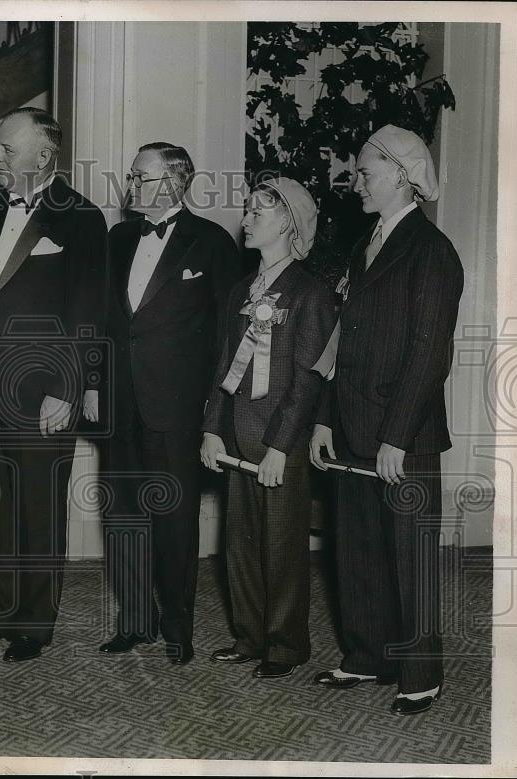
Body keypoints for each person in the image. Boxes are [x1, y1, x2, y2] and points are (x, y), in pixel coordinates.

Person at [309, 125, 463, 715]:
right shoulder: (365, 244)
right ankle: (367, 656)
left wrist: (396, 435)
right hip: (350, 423)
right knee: (358, 549)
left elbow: (429, 354)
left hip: (405, 433)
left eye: (365, 172)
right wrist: (324, 418)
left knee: (410, 555)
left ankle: (420, 672)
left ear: (400, 174)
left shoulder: (432, 251)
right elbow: (340, 344)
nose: (356, 183)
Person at [0, 107, 108, 663]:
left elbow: (89, 311)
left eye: (5, 150)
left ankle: (33, 625)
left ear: (44, 156)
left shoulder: (82, 219)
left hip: (42, 391)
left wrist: (68, 387)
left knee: (38, 507)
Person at [98, 143, 239, 665]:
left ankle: (179, 627)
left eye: (141, 176)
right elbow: (103, 320)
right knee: (123, 517)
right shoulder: (116, 239)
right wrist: (94, 384)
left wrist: (215, 409)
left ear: (175, 184)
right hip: (119, 402)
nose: (130, 185)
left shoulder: (212, 242)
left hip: (178, 408)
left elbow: (229, 332)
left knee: (175, 520)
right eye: (132, 175)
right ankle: (134, 621)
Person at [201, 177, 336, 678]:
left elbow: (308, 381)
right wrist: (212, 429)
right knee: (241, 543)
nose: (247, 218)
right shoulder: (241, 290)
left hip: (282, 441)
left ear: (289, 222)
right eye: (248, 208)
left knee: (281, 544)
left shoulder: (311, 293)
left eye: (260, 211)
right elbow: (223, 368)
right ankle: (248, 635)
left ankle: (285, 645)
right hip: (237, 433)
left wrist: (282, 445)